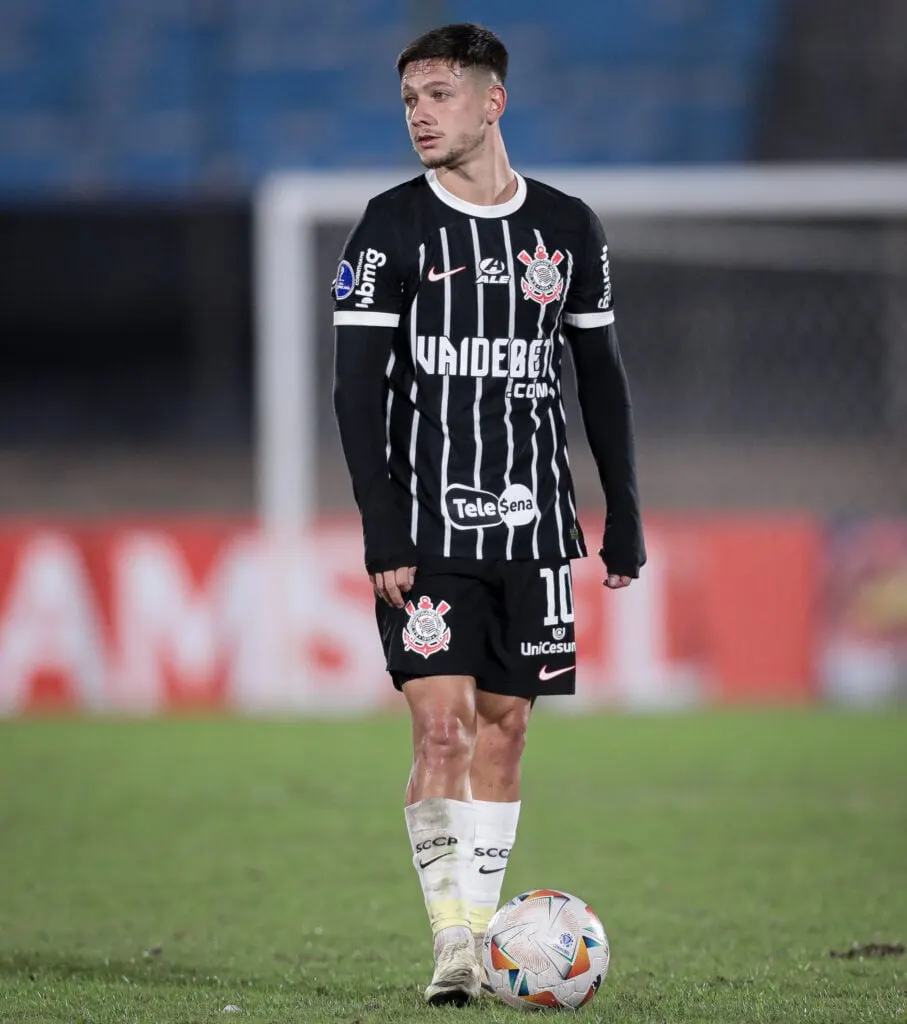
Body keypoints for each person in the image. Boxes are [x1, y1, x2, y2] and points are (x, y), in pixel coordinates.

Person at [331, 22, 646, 1006]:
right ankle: (455, 949)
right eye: (409, 100)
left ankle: (480, 926)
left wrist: (623, 514)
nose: (419, 114)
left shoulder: (566, 227)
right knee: (441, 729)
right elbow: (353, 392)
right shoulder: (386, 228)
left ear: (490, 100)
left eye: (437, 94)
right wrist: (382, 529)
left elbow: (600, 381)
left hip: (537, 530)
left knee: (505, 730)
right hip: (426, 535)